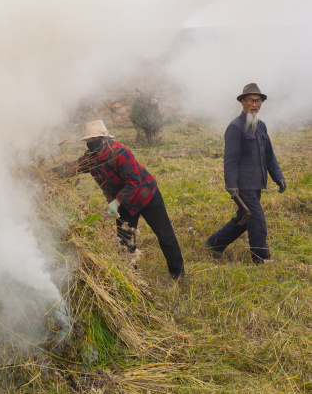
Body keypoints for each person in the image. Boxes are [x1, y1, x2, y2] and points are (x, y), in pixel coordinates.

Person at [54, 120, 184, 280]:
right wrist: (49, 173)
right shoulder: (91, 158)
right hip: (123, 204)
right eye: (89, 141)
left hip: (146, 196)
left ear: (104, 139)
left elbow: (134, 181)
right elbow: (74, 166)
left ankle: (178, 275)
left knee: (165, 236)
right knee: (125, 244)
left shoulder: (120, 152)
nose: (91, 144)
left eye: (94, 141)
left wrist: (115, 203)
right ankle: (133, 280)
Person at [205, 83, 287, 264]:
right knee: (257, 220)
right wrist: (231, 184)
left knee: (244, 217)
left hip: (257, 182)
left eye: (258, 100)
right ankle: (261, 259)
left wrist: (278, 176)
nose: (254, 104)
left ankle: (214, 244)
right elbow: (230, 159)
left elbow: (269, 155)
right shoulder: (235, 127)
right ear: (242, 102)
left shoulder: (261, 126)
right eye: (250, 100)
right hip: (242, 185)